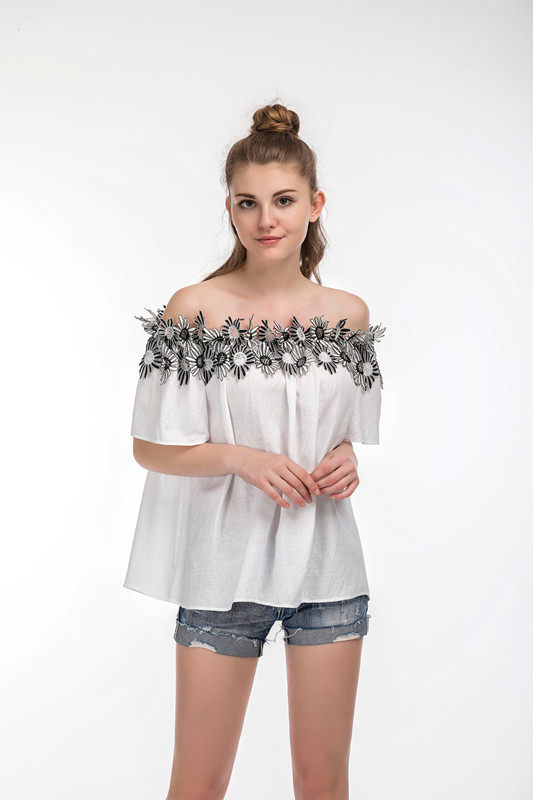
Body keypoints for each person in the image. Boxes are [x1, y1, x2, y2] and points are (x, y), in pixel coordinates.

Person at [124, 102, 386, 800]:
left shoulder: (349, 317)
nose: (266, 219)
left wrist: (346, 457)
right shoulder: (195, 309)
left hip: (327, 568)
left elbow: (340, 432)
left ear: (315, 205)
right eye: (248, 202)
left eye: (283, 200)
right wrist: (242, 459)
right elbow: (150, 448)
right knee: (198, 784)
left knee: (322, 782)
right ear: (230, 209)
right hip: (222, 573)